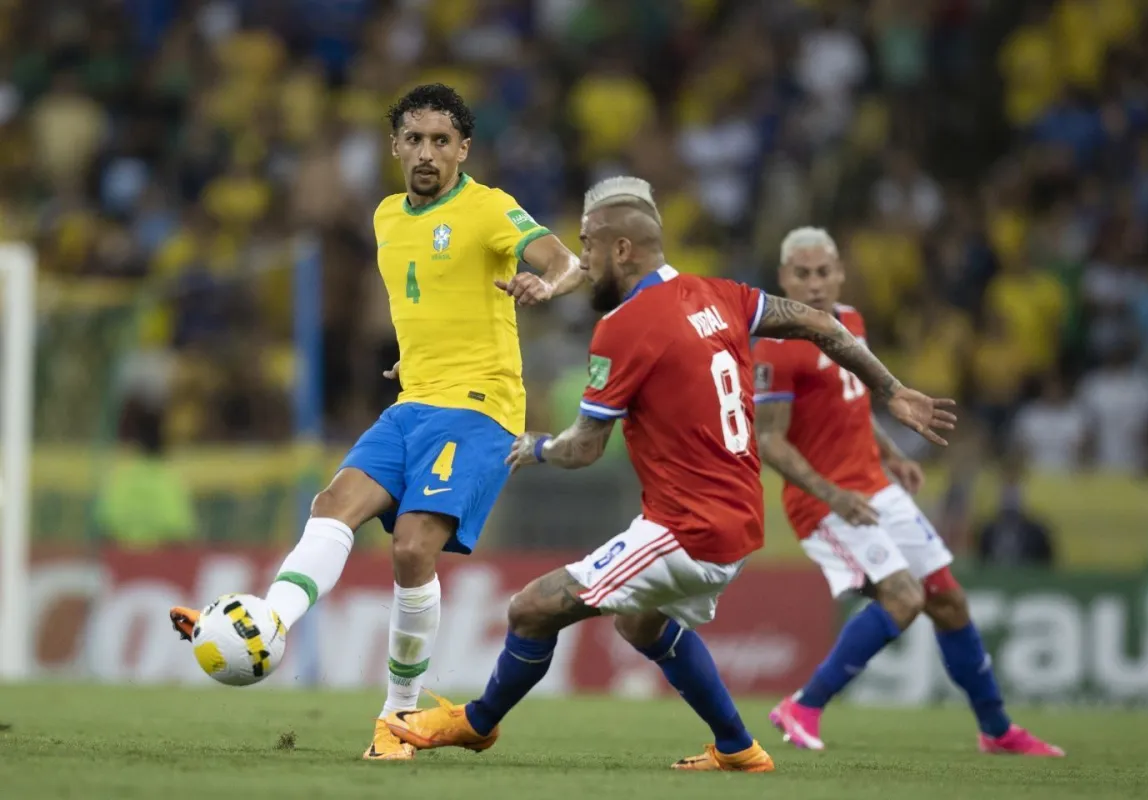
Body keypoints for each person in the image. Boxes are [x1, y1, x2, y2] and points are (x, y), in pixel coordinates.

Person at [384, 178, 955, 771]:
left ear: (622, 250)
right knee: (640, 621)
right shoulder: (721, 294)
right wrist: (891, 389)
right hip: (736, 520)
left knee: (531, 608)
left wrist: (539, 448)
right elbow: (821, 323)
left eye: (588, 247)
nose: (582, 260)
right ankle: (737, 747)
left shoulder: (625, 327)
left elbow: (584, 449)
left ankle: (477, 723)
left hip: (690, 529)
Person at [168, 84, 585, 761]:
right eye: (414, 139)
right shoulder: (388, 216)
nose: (427, 152)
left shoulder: (489, 209)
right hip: (413, 400)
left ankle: (398, 718)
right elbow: (426, 303)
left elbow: (565, 259)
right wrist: (410, 361)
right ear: (394, 147)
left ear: (464, 149)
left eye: (441, 141)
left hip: (480, 407)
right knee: (331, 506)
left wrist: (549, 285)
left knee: (413, 547)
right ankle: (264, 624)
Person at [753, 227, 1063, 757]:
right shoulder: (776, 348)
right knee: (904, 597)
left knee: (949, 601)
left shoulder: (849, 321)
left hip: (876, 486)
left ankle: (996, 729)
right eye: (801, 274)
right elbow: (769, 441)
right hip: (826, 504)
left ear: (840, 273)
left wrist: (891, 453)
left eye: (823, 271)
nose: (814, 283)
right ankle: (803, 705)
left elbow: (850, 402)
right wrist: (831, 493)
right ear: (783, 279)